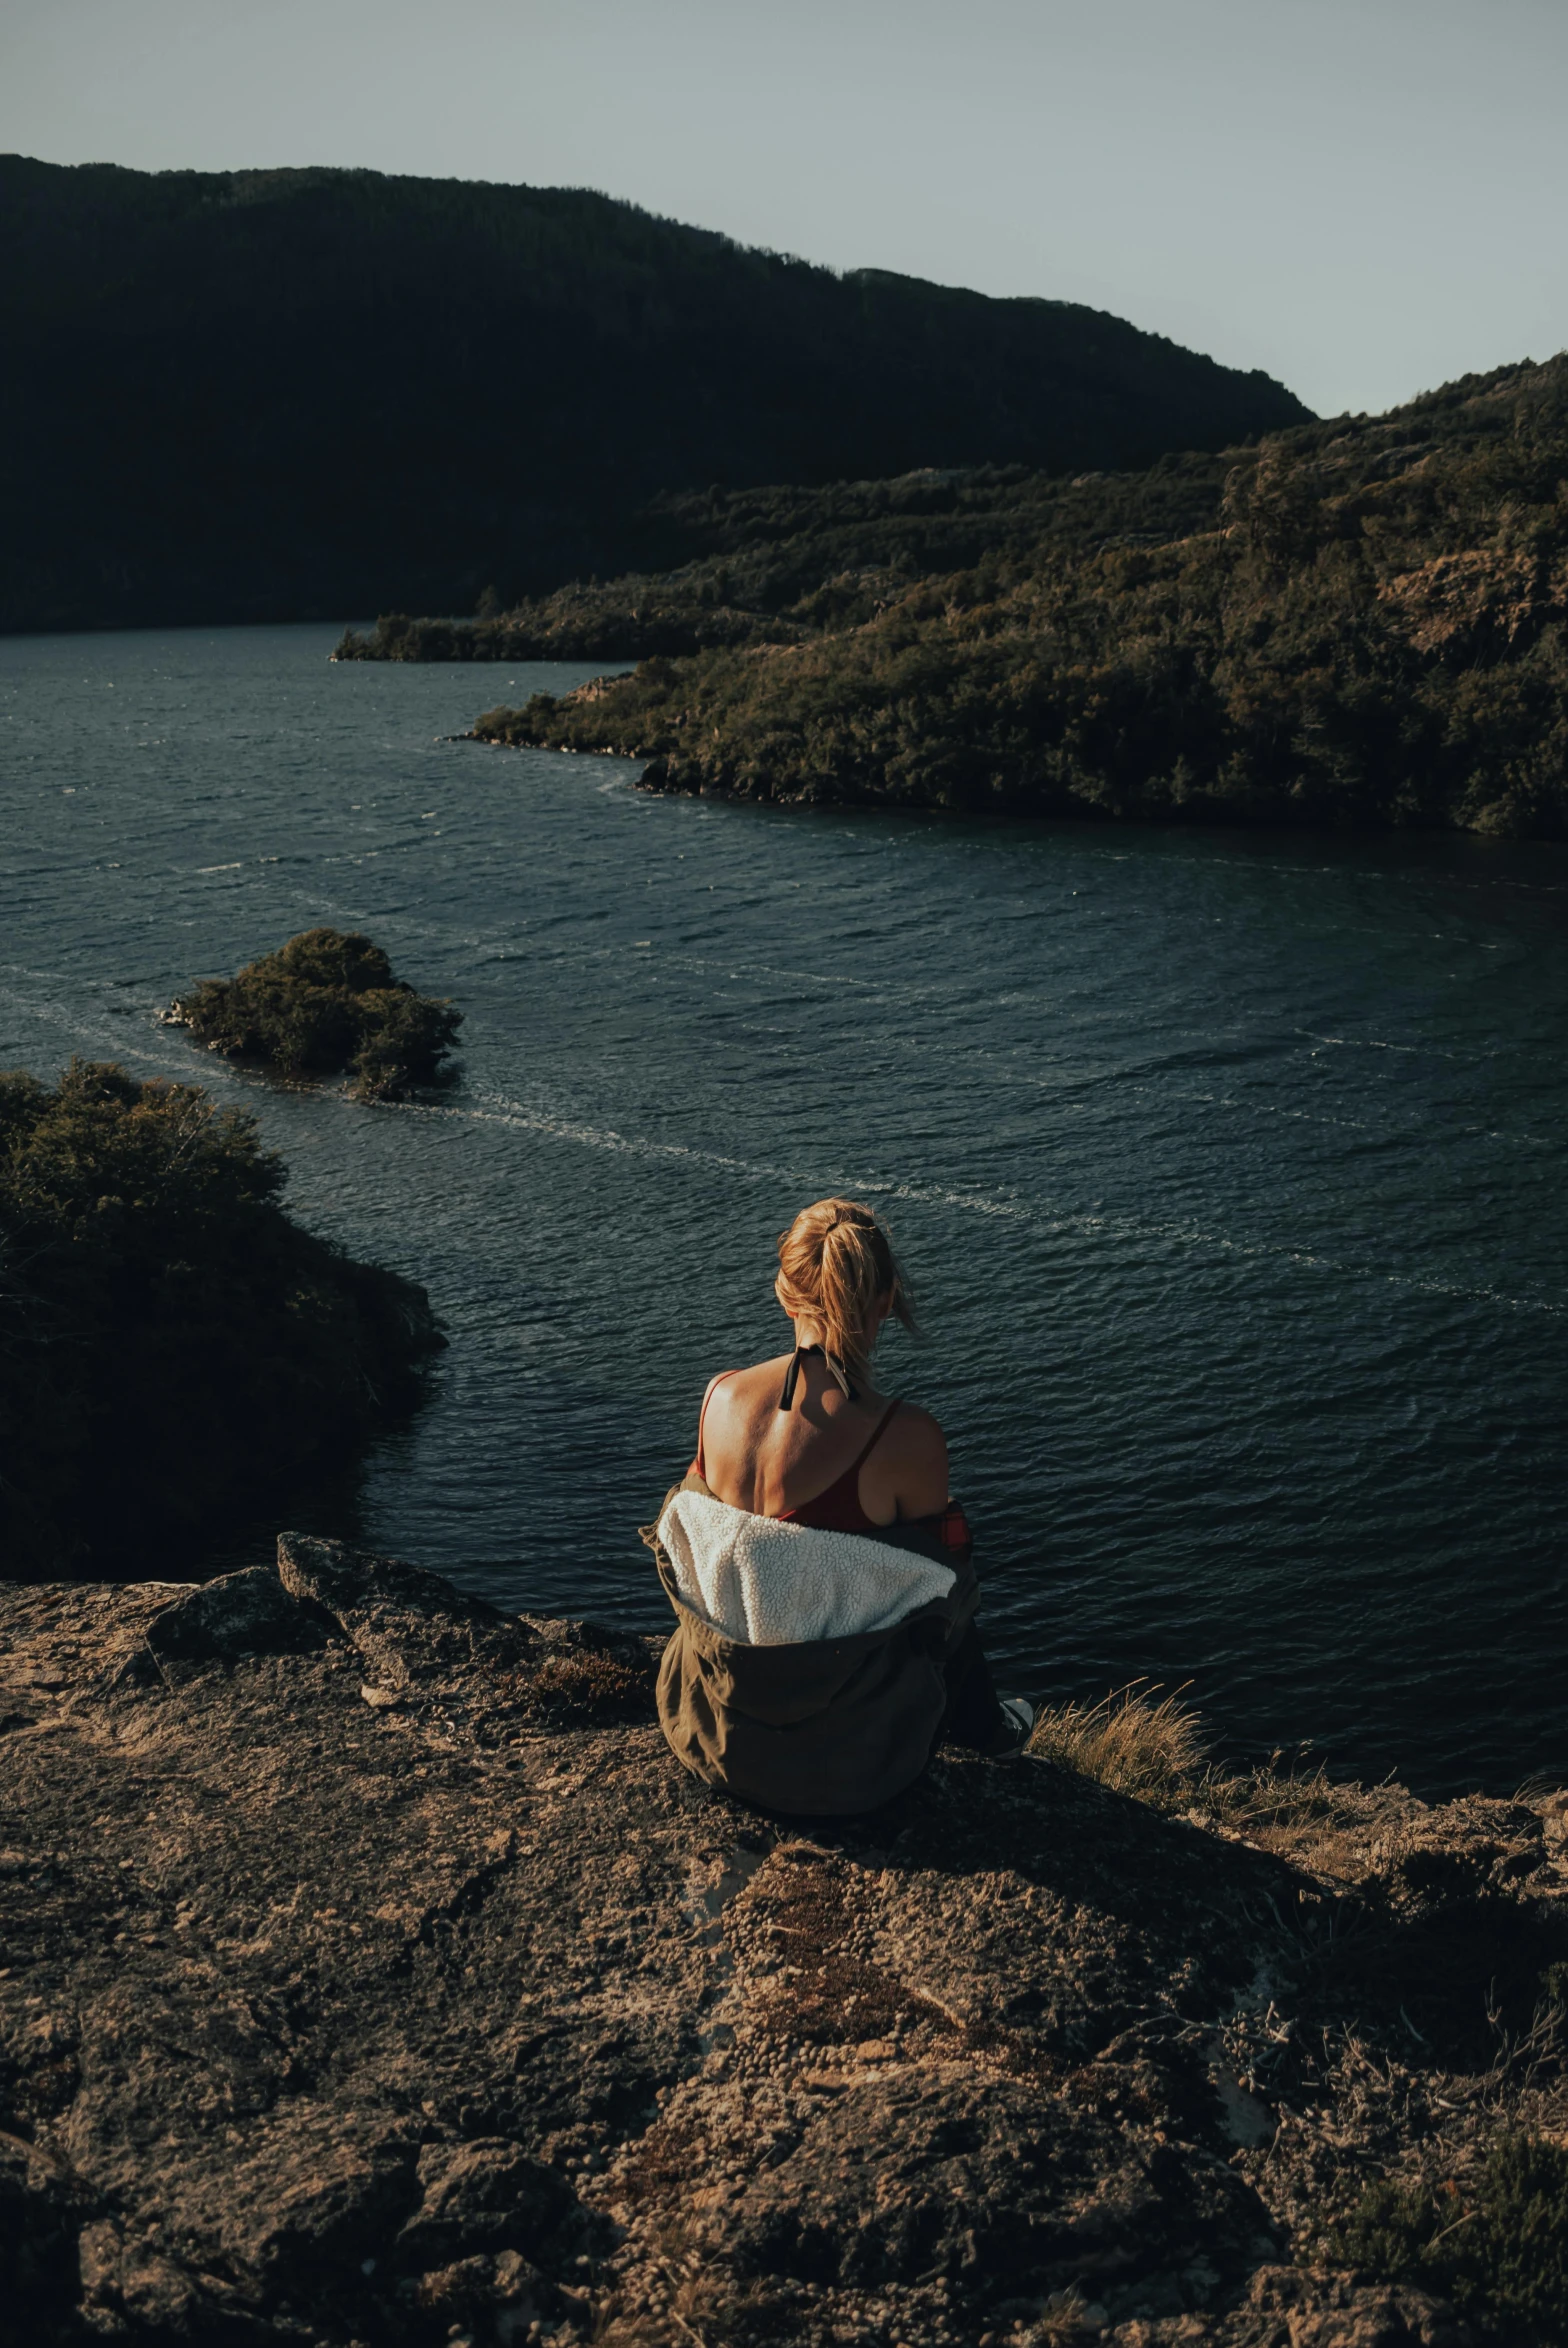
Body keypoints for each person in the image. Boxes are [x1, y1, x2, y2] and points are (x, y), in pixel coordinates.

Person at [644, 1197, 1034, 1815]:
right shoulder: (906, 1438)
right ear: (885, 1302)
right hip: (853, 1762)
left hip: (710, 1731)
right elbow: (939, 1611)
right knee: (948, 1580)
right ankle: (989, 1732)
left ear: (784, 1294)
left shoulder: (719, 1396)